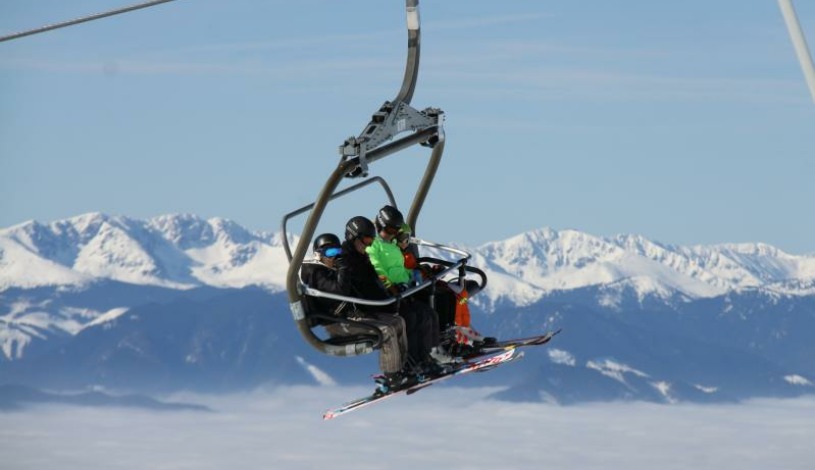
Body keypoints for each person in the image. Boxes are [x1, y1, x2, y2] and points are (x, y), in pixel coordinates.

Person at [369, 205, 495, 352]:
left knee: (451, 295)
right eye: (402, 238)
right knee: (444, 298)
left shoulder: (400, 253)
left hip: (415, 284)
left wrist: (427, 271)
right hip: (406, 289)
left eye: (407, 239)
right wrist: (409, 279)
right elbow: (392, 271)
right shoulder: (383, 250)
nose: (405, 242)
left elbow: (411, 269)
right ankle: (455, 340)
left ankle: (456, 337)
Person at [341, 215, 456, 373]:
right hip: (369, 307)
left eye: (371, 241)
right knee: (409, 317)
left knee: (425, 312)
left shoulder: (363, 257)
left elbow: (379, 278)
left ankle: (427, 357)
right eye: (366, 240)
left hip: (385, 299)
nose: (368, 245)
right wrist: (389, 291)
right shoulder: (347, 261)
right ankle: (411, 363)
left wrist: (402, 284)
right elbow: (365, 285)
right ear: (352, 237)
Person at [299, 231, 409, 391]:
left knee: (397, 321)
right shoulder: (316, 273)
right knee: (387, 330)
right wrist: (343, 269)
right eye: (330, 252)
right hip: (337, 323)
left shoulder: (333, 270)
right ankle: (391, 376)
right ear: (318, 254)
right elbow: (339, 291)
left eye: (338, 252)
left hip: (351, 317)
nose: (334, 256)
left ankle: (403, 368)